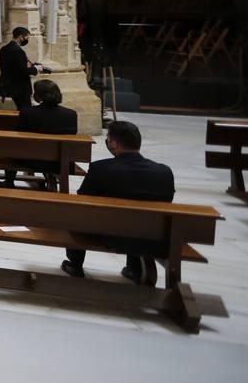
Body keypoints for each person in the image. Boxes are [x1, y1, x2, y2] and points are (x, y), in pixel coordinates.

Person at [62, 120, 175, 285]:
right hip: (152, 235)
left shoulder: (100, 168)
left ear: (113, 143)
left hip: (109, 234)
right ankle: (134, 267)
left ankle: (75, 263)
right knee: (140, 218)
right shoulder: (164, 172)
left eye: (108, 139)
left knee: (79, 214)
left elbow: (82, 200)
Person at [1, 80, 78, 188]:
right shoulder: (71, 114)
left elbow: (19, 136)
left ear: (37, 95)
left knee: (13, 147)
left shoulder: (27, 113)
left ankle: (9, 181)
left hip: (31, 160)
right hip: (60, 161)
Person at [0, 26, 46, 110]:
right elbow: (23, 71)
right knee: (25, 109)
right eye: (26, 37)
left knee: (21, 107)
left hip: (9, 85)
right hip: (20, 87)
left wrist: (27, 65)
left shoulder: (3, 49)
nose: (27, 40)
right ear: (20, 37)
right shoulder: (18, 51)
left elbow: (8, 66)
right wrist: (37, 68)